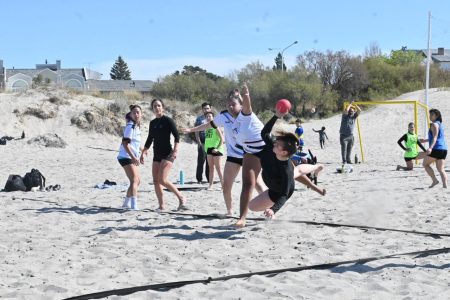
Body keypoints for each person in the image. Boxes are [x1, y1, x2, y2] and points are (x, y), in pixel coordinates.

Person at [183, 89, 265, 216]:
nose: (231, 107)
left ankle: (270, 209)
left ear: (241, 104)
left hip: (248, 155)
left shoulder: (247, 115)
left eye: (234, 104)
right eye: (229, 104)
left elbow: (249, 105)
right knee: (226, 186)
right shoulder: (223, 116)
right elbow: (208, 125)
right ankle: (230, 211)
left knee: (257, 184)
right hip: (233, 156)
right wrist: (191, 129)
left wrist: (246, 95)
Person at [248, 110, 325, 218]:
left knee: (295, 171)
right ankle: (317, 168)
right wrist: (276, 116)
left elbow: (284, 195)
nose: (275, 142)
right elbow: (264, 133)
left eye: (278, 144)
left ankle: (316, 168)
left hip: (279, 191)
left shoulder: (286, 171)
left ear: (283, 152)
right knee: (297, 170)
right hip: (275, 181)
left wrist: (273, 210)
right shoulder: (273, 147)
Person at [140, 99, 188, 211]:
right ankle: (161, 206)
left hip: (168, 154)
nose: (157, 108)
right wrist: (144, 151)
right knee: (156, 181)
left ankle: (181, 197)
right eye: (155, 106)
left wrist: (175, 151)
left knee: (162, 180)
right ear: (152, 109)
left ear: (163, 107)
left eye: (159, 106)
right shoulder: (152, 123)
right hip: (156, 154)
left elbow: (177, 136)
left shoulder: (168, 121)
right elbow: (149, 139)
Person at [117, 105, 142, 210]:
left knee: (137, 181)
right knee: (135, 180)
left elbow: (135, 143)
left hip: (130, 156)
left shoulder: (136, 126)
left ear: (141, 114)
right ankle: (134, 206)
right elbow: (125, 143)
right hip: (125, 156)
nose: (136, 114)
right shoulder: (130, 126)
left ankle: (125, 204)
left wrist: (143, 150)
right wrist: (133, 157)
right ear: (131, 114)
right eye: (134, 112)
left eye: (138, 112)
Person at [420, 109, 448, 188]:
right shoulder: (439, 124)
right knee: (441, 169)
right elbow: (438, 137)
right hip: (443, 149)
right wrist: (425, 140)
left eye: (432, 114)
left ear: (437, 116)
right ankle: (445, 187)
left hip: (436, 148)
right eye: (430, 114)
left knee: (425, 164)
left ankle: (435, 180)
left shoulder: (434, 124)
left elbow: (435, 138)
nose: (430, 116)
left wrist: (430, 148)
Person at [204, 111, 225, 190]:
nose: (208, 118)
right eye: (207, 117)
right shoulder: (206, 127)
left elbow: (222, 139)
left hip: (217, 149)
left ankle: (223, 185)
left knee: (218, 168)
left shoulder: (216, 126)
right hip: (209, 149)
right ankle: (210, 185)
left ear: (213, 118)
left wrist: (217, 148)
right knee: (211, 168)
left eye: (210, 116)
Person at [194, 102, 212, 184]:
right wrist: (199, 142)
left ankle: (209, 178)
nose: (206, 110)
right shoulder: (199, 119)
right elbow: (196, 131)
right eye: (204, 108)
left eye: (208, 108)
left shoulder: (212, 119)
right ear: (202, 109)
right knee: (201, 161)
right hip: (202, 142)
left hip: (211, 143)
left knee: (210, 162)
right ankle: (199, 179)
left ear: (210, 109)